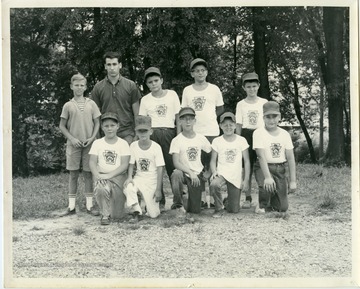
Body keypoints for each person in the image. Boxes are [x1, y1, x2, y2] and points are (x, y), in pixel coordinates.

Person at [181, 58, 224, 208]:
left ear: (207, 72)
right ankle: (200, 198)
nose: (200, 73)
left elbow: (220, 109)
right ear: (192, 73)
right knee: (197, 166)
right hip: (195, 133)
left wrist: (209, 118)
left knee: (211, 165)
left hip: (211, 131)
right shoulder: (187, 90)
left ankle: (213, 199)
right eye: (197, 71)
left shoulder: (214, 89)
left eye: (203, 70)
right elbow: (184, 112)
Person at [59, 73, 101, 217]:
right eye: (76, 85)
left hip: (89, 144)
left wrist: (92, 137)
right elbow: (62, 125)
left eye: (82, 85)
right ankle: (71, 207)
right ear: (71, 86)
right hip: (74, 144)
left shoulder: (91, 103)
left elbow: (97, 122)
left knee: (88, 174)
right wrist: (72, 139)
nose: (79, 88)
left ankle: (90, 206)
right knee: (73, 174)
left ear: (85, 87)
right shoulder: (68, 105)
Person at [139, 67, 181, 211]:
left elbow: (178, 117)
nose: (154, 84)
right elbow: (143, 121)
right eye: (150, 82)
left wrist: (178, 136)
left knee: (172, 167)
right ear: (147, 84)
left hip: (169, 132)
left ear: (162, 80)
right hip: (153, 133)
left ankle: (178, 201)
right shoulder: (145, 100)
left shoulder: (172, 95)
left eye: (156, 80)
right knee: (155, 167)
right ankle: (159, 200)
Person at [253, 101, 297, 213]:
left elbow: (291, 158)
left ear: (280, 117)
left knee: (282, 208)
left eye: (274, 116)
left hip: (280, 168)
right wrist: (267, 177)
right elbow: (261, 156)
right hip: (263, 167)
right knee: (266, 185)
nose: (271, 120)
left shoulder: (285, 134)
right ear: (263, 118)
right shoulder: (258, 133)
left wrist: (293, 181)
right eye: (268, 117)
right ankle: (262, 204)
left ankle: (274, 197)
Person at [88, 112, 131, 225]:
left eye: (112, 125)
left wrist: (109, 175)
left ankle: (113, 207)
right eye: (106, 126)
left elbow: (124, 165)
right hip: (102, 174)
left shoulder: (123, 143)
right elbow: (92, 162)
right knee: (101, 188)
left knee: (117, 216)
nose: (109, 128)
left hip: (118, 176)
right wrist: (98, 175)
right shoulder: (97, 143)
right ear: (102, 128)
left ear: (118, 126)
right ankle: (104, 214)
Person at [90, 51, 141, 144]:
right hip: (106, 133)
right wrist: (97, 136)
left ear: (120, 65)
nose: (112, 68)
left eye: (114, 64)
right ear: (105, 66)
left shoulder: (131, 85)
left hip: (127, 134)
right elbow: (95, 116)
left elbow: (137, 113)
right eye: (109, 64)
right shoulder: (98, 87)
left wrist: (137, 135)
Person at [169, 107, 212, 214]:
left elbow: (212, 155)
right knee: (176, 174)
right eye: (184, 119)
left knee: (194, 211)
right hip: (184, 173)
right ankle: (178, 204)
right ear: (179, 121)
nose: (188, 121)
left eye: (190, 119)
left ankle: (188, 201)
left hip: (197, 175)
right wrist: (190, 172)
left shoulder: (201, 138)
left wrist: (209, 171)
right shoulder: (176, 140)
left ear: (195, 121)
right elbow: (176, 162)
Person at [123, 116, 165, 222]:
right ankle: (137, 211)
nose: (142, 134)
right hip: (140, 177)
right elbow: (131, 163)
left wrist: (158, 189)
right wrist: (129, 177)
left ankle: (147, 204)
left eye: (145, 131)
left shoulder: (156, 147)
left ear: (151, 131)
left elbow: (160, 169)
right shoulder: (133, 145)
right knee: (129, 187)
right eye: (140, 131)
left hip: (152, 180)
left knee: (153, 215)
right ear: (136, 132)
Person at [235, 72, 268, 209]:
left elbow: (268, 121)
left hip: (261, 134)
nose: (252, 89)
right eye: (248, 87)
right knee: (246, 166)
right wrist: (238, 140)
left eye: (254, 86)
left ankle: (265, 196)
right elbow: (239, 124)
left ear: (259, 86)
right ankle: (247, 197)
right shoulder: (241, 104)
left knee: (261, 164)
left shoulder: (264, 102)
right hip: (246, 134)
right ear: (244, 88)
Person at [209, 112, 251, 217]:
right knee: (214, 184)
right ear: (220, 126)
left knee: (234, 210)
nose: (228, 127)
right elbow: (213, 160)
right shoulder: (217, 141)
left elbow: (246, 161)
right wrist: (214, 171)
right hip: (222, 173)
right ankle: (218, 208)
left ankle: (228, 201)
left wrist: (246, 180)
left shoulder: (241, 140)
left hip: (235, 176)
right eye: (225, 124)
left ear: (235, 125)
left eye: (231, 124)